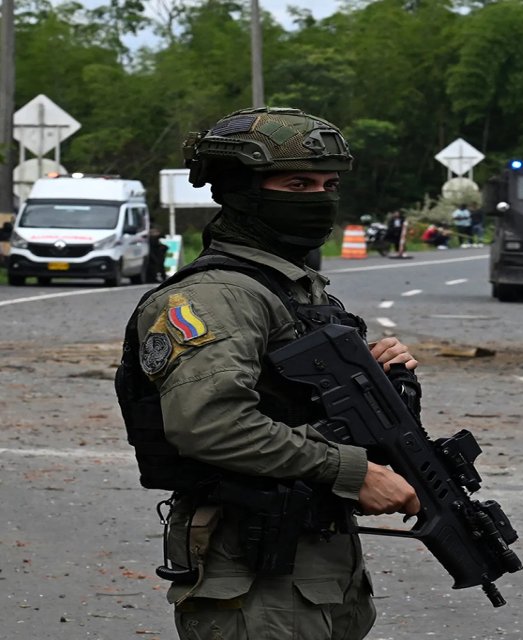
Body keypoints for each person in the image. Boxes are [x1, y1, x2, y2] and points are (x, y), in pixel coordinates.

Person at [116, 107, 421, 640]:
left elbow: (280, 396)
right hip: (254, 566)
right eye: (298, 183)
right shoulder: (215, 295)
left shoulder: (288, 286)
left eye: (329, 184)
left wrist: (359, 384)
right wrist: (354, 472)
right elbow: (210, 423)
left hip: (315, 562)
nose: (320, 198)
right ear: (241, 190)